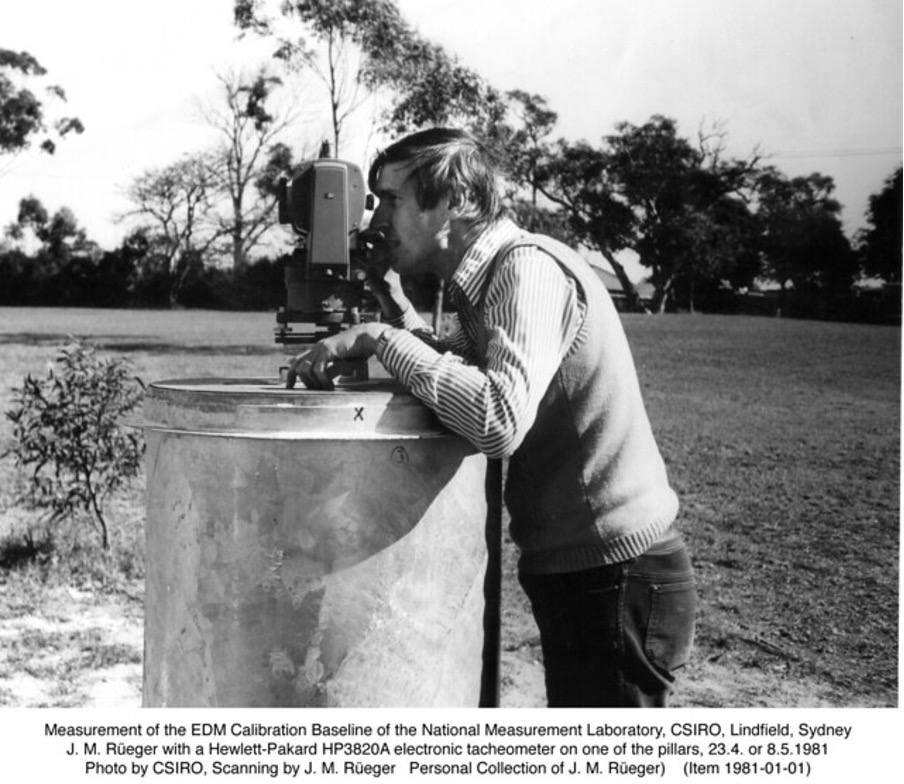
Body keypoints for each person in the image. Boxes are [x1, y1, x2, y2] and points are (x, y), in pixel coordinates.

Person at [286, 127, 696, 707]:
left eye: (392, 201)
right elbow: (457, 370)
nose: (376, 221)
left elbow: (497, 416)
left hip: (616, 572)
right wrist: (391, 301)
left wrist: (379, 338)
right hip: (590, 568)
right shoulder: (488, 278)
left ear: (453, 201)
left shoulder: (526, 270)